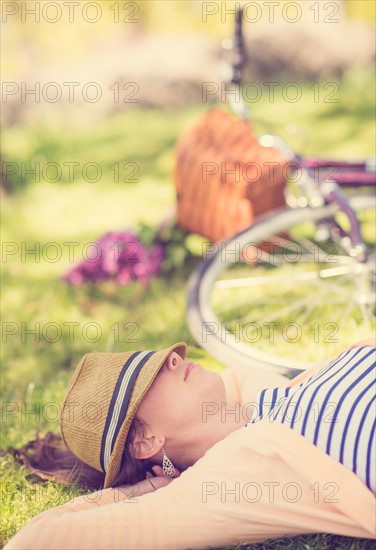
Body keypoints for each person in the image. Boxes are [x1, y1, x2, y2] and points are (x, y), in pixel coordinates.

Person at [5, 338, 376, 549]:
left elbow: (235, 376)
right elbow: (39, 539)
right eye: (147, 379)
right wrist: (138, 489)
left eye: (156, 358)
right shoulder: (220, 485)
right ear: (146, 440)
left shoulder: (260, 399)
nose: (172, 357)